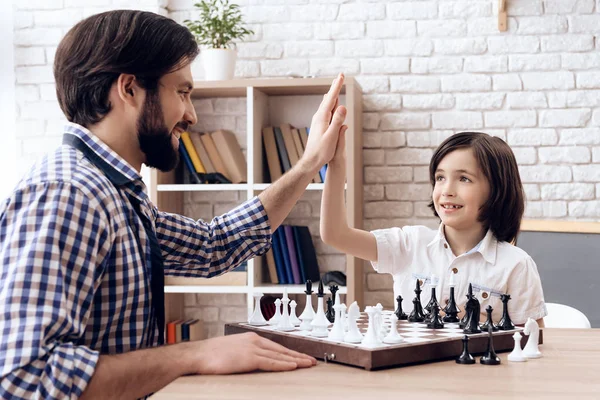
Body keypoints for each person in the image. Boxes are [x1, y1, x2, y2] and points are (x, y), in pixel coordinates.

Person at [0, 10, 348, 400]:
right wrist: (192, 354)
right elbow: (26, 379)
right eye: (182, 92)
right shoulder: (69, 194)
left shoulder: (118, 195)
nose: (192, 115)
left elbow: (215, 244)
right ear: (129, 89)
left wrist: (309, 162)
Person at [320, 131, 547, 327]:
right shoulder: (409, 244)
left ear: (497, 190)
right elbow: (335, 234)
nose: (446, 190)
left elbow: (532, 341)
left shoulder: (517, 265)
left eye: (464, 179)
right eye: (440, 177)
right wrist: (337, 164)